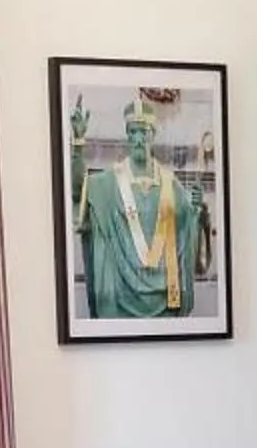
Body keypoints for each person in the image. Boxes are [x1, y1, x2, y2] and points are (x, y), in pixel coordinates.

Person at [77, 96, 210, 320]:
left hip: (165, 300)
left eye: (144, 132)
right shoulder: (106, 183)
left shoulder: (170, 183)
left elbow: (188, 228)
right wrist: (77, 146)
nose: (139, 139)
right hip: (120, 298)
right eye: (133, 132)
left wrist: (195, 211)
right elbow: (77, 188)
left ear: (152, 135)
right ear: (127, 136)